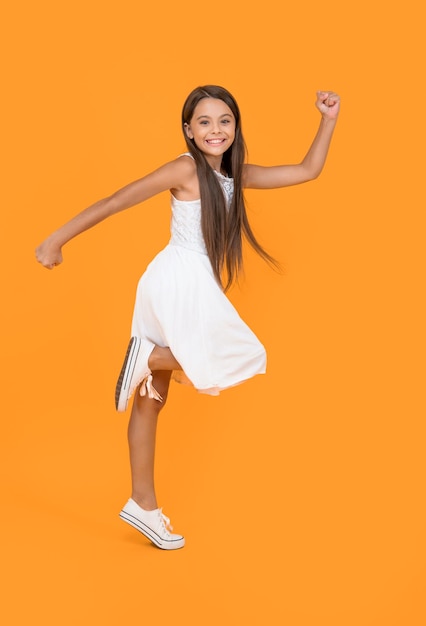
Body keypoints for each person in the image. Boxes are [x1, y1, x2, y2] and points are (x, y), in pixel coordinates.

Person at [36, 85, 340, 550]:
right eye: (204, 122)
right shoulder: (184, 168)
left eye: (224, 121)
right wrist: (56, 239)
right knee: (239, 355)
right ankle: (154, 355)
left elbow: (307, 170)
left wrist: (328, 118)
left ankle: (144, 504)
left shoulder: (235, 176)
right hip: (180, 276)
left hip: (178, 279)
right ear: (188, 130)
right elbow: (119, 199)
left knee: (150, 398)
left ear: (236, 127)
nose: (215, 130)